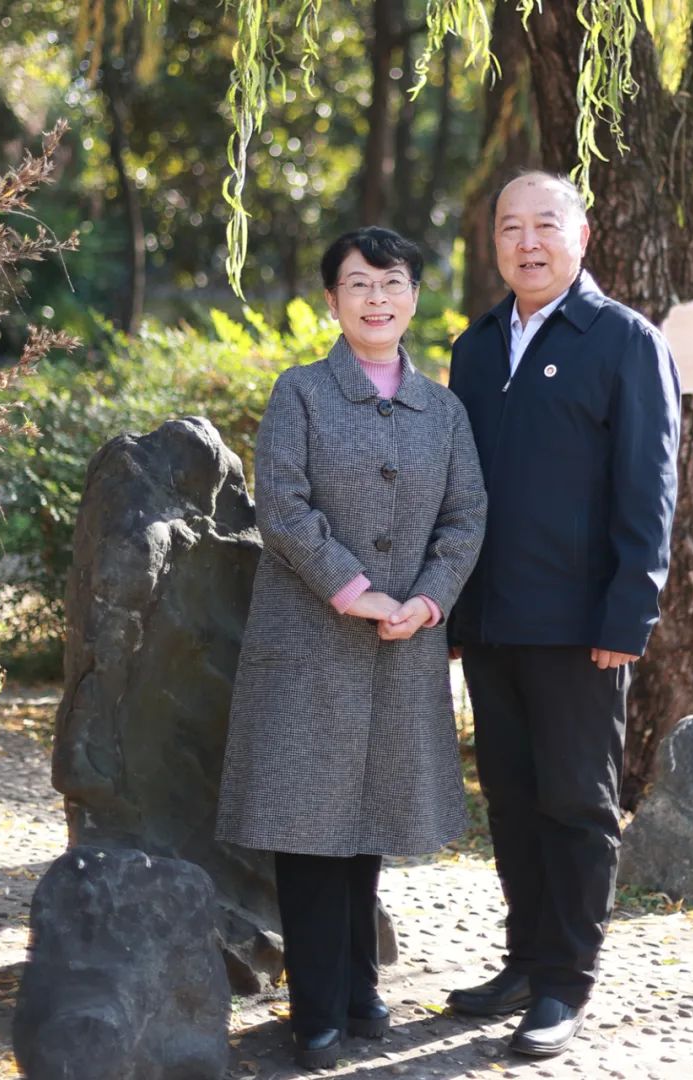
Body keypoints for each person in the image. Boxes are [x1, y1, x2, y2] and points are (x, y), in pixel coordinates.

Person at [215, 226, 487, 1071]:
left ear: (414, 298)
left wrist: (430, 599)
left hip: (402, 643)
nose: (377, 298)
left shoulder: (444, 410)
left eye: (392, 282)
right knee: (307, 827)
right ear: (332, 299)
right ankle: (317, 1010)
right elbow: (282, 505)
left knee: (370, 819)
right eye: (359, 283)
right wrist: (351, 588)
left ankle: (360, 985)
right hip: (309, 642)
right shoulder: (300, 393)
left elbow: (466, 517)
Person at [445, 171, 681, 1058]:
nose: (528, 242)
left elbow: (649, 490)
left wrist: (628, 616)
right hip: (491, 618)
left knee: (577, 803)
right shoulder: (476, 347)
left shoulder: (624, 341)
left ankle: (565, 983)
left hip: (583, 628)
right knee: (509, 800)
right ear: (495, 242)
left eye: (546, 224)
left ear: (582, 237)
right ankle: (524, 959)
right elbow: (459, 491)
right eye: (511, 227)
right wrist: (454, 608)